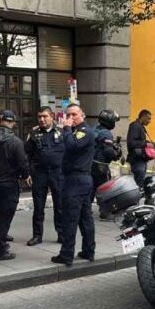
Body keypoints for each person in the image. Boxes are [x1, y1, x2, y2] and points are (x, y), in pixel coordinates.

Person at [0, 110, 30, 261]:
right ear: (13, 123)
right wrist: (25, 175)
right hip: (8, 185)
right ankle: (0, 249)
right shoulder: (16, 142)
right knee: (5, 216)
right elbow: (22, 163)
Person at [51, 105, 96, 266]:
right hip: (77, 180)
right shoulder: (76, 132)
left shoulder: (84, 131)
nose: (71, 118)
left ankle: (66, 254)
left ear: (82, 115)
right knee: (85, 218)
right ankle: (88, 250)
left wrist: (67, 128)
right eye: (68, 115)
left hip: (77, 180)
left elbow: (71, 145)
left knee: (70, 218)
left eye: (74, 114)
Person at [24, 107, 65, 246]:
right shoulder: (34, 133)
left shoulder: (62, 132)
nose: (42, 119)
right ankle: (37, 235)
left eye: (45, 116)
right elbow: (27, 154)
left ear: (52, 116)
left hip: (58, 173)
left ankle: (61, 233)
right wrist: (27, 172)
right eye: (40, 117)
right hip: (40, 173)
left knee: (59, 205)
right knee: (38, 206)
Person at [92, 109, 123, 219]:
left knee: (91, 189)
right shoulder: (106, 133)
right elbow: (108, 152)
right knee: (105, 189)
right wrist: (117, 152)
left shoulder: (95, 129)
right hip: (101, 166)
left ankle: (84, 211)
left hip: (91, 164)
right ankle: (105, 212)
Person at [127, 109, 153, 187]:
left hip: (140, 159)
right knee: (139, 184)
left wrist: (149, 143)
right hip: (137, 160)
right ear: (143, 117)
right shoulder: (135, 126)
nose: (149, 121)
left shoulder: (140, 126)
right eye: (148, 118)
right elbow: (131, 143)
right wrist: (146, 144)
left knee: (140, 183)